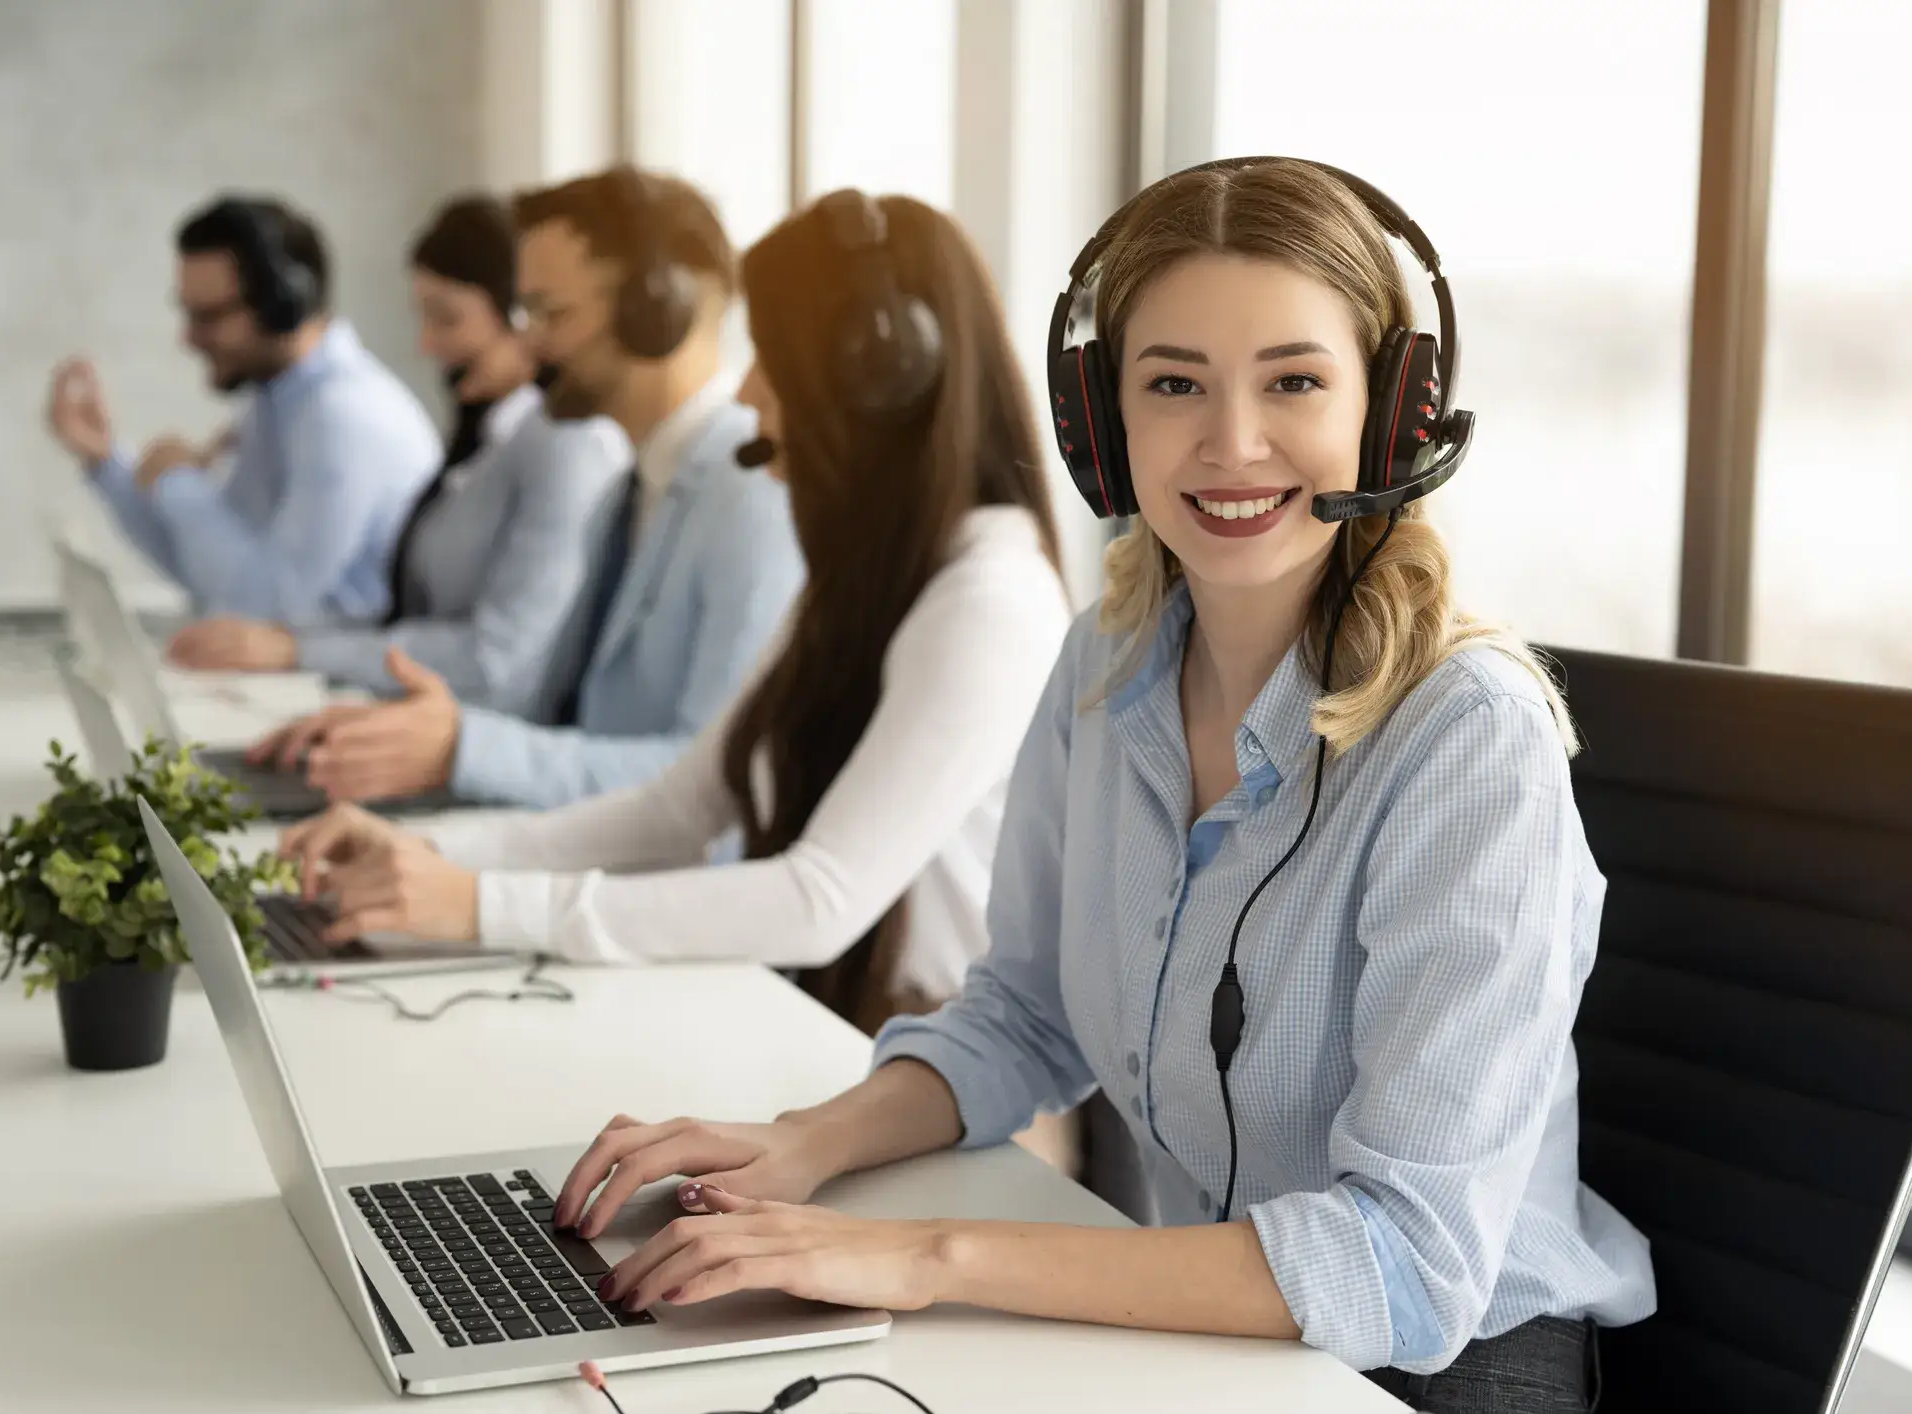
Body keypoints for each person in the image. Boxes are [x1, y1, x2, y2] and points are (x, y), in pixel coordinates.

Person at [540, 159, 1657, 1412]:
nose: (1231, 444)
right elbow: (1025, 1013)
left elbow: (1407, 1260)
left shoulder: (1465, 742)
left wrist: (923, 1255)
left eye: (1295, 380)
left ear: (1391, 411)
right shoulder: (1110, 661)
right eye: (1173, 383)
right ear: (1100, 420)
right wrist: (802, 1144)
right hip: (1220, 1335)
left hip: (1438, 1371)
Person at [277, 190, 1071, 1047]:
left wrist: (481, 905)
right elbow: (676, 811)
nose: (750, 391)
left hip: (942, 1073)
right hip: (830, 1033)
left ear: (875, 381)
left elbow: (819, 900)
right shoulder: (869, 576)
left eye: (774, 360)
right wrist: (432, 857)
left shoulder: (989, 600)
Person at [248, 167, 802, 809]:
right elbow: (555, 709)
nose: (527, 341)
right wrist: (393, 730)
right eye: (524, 310)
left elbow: (709, 776)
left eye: (549, 312)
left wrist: (464, 751)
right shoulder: (635, 481)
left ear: (656, 313)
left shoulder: (750, 491)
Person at [164, 194, 633, 722]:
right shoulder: (488, 444)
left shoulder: (567, 448)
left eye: (448, 318)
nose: (427, 344)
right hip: (408, 716)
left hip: (474, 739)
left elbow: (495, 665)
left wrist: (297, 649)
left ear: (518, 314)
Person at [46, 195, 441, 624]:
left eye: (208, 317)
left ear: (283, 306)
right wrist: (105, 461)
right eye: (187, 313)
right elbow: (212, 576)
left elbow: (266, 606)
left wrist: (179, 482)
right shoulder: (277, 401)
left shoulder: (341, 417)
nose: (188, 339)